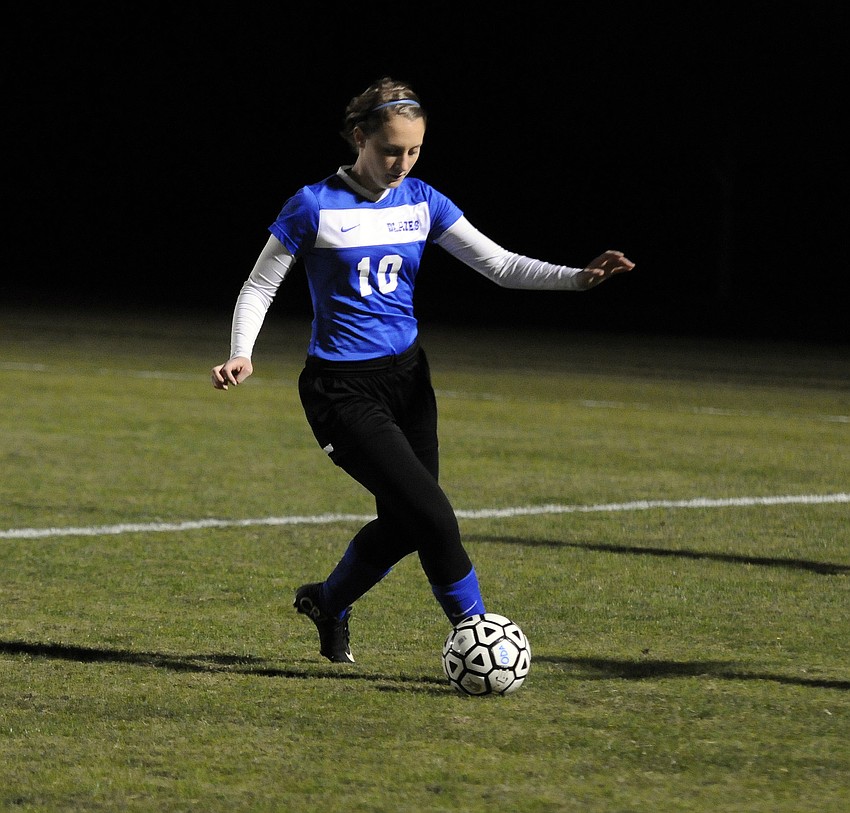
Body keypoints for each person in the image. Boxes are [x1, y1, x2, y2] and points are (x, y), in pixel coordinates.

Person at [211, 76, 634, 664]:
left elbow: (501, 266)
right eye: (391, 150)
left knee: (408, 523)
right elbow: (260, 285)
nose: (402, 162)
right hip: (341, 389)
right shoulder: (313, 205)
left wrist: (579, 278)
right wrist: (242, 352)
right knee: (433, 515)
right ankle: (477, 633)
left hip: (408, 381)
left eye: (414, 151)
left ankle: (327, 603)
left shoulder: (422, 201)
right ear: (359, 138)